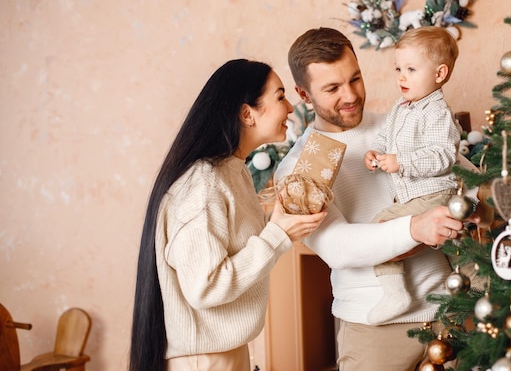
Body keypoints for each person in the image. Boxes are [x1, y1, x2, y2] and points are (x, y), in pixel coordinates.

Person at [274, 27, 478, 371]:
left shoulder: (399, 124)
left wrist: (466, 211)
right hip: (374, 329)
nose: (351, 95)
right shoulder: (301, 166)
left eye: (355, 78)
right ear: (304, 95)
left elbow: (470, 182)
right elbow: (337, 247)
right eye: (332, 88)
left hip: (451, 312)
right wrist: (414, 229)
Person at [129, 59, 327, 371]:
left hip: (223, 356)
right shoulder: (203, 183)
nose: (290, 107)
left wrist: (279, 223)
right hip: (204, 363)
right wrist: (277, 235)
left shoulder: (232, 171)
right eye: (279, 96)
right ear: (247, 113)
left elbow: (232, 248)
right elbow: (205, 285)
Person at [363, 26, 462, 325]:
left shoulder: (437, 113)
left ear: (440, 73)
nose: (401, 77)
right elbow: (387, 138)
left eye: (411, 69)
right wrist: (376, 153)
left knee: (379, 228)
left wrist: (402, 162)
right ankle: (472, 280)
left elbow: (444, 155)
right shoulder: (401, 106)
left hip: (434, 193)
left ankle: (396, 294)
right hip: (415, 196)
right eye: (398, 69)